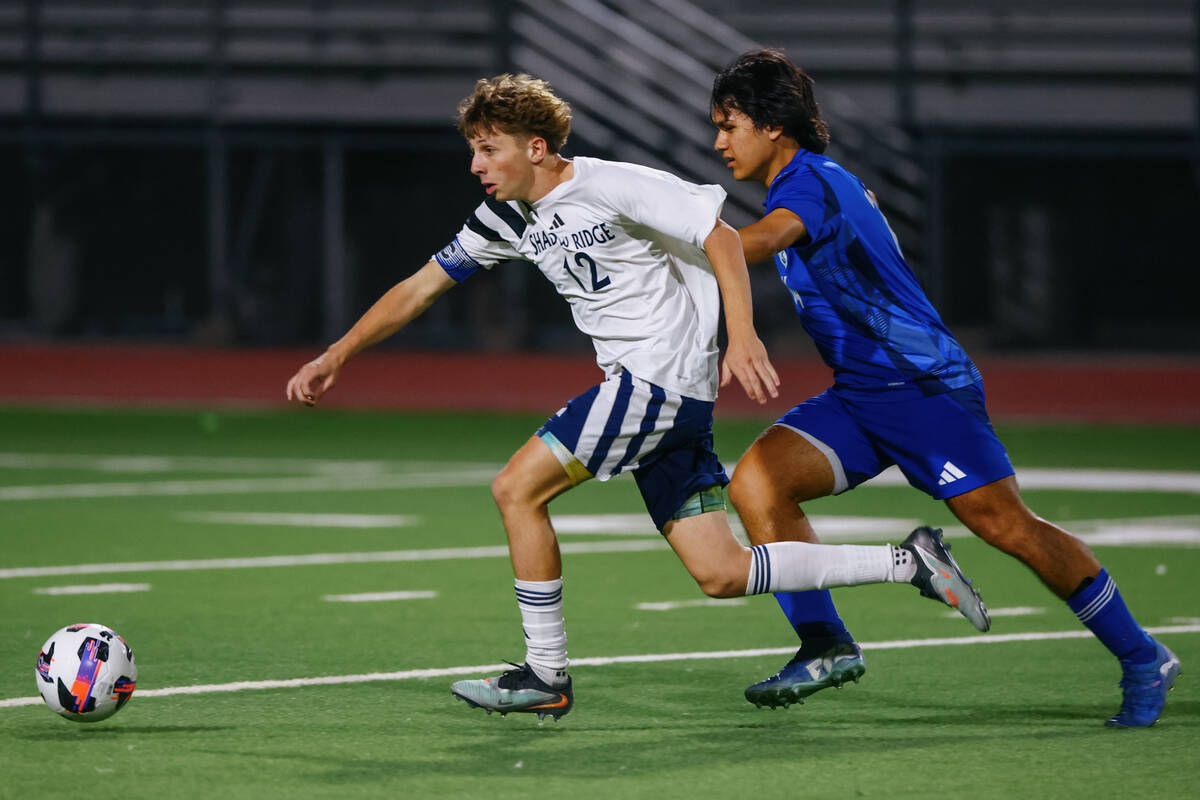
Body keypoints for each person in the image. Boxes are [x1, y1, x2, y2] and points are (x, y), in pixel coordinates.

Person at [287, 73, 990, 722]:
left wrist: (740, 335)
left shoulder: (612, 185)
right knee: (721, 571)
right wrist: (337, 353)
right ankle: (910, 561)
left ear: (536, 147)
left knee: (516, 489)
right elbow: (421, 286)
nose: (477, 165)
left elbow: (715, 237)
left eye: (488, 149)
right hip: (662, 398)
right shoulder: (504, 219)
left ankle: (545, 675)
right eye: (474, 150)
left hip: (655, 383)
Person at [709, 49, 1181, 726]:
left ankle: (1142, 656)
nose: (719, 141)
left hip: (923, 389)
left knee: (1008, 527)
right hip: (863, 394)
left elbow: (757, 242)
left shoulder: (811, 182)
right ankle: (825, 643)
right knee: (757, 483)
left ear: (773, 125)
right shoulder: (803, 181)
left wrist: (681, 234)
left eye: (730, 125)